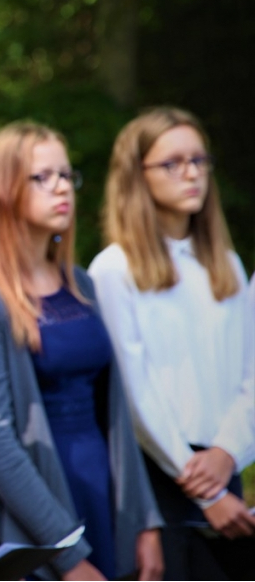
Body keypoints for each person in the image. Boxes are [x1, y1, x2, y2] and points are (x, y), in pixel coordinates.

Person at [0, 123, 164, 580]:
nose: (62, 186)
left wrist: (145, 521)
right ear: (1, 190)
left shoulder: (80, 283)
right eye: (41, 177)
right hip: (36, 511)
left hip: (102, 487)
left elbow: (117, 412)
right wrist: (67, 554)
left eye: (66, 175)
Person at [87, 107, 255, 579]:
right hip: (157, 479)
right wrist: (206, 489)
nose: (192, 174)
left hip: (225, 465)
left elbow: (251, 375)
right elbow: (135, 393)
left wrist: (227, 456)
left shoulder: (226, 265)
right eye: (173, 163)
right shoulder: (115, 270)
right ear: (135, 176)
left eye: (200, 161)